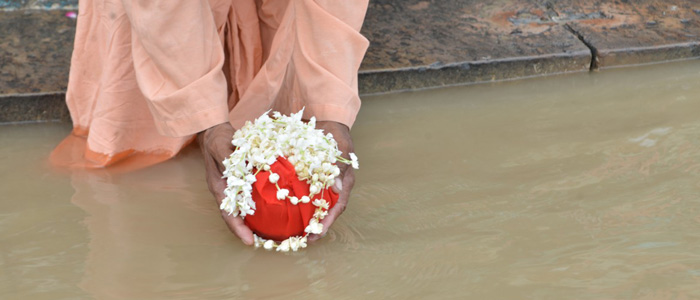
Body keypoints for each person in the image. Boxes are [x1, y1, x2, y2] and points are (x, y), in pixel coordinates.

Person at [51, 0, 370, 245]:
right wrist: (206, 118)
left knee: (287, 113)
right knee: (138, 150)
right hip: (165, 15)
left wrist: (331, 106)